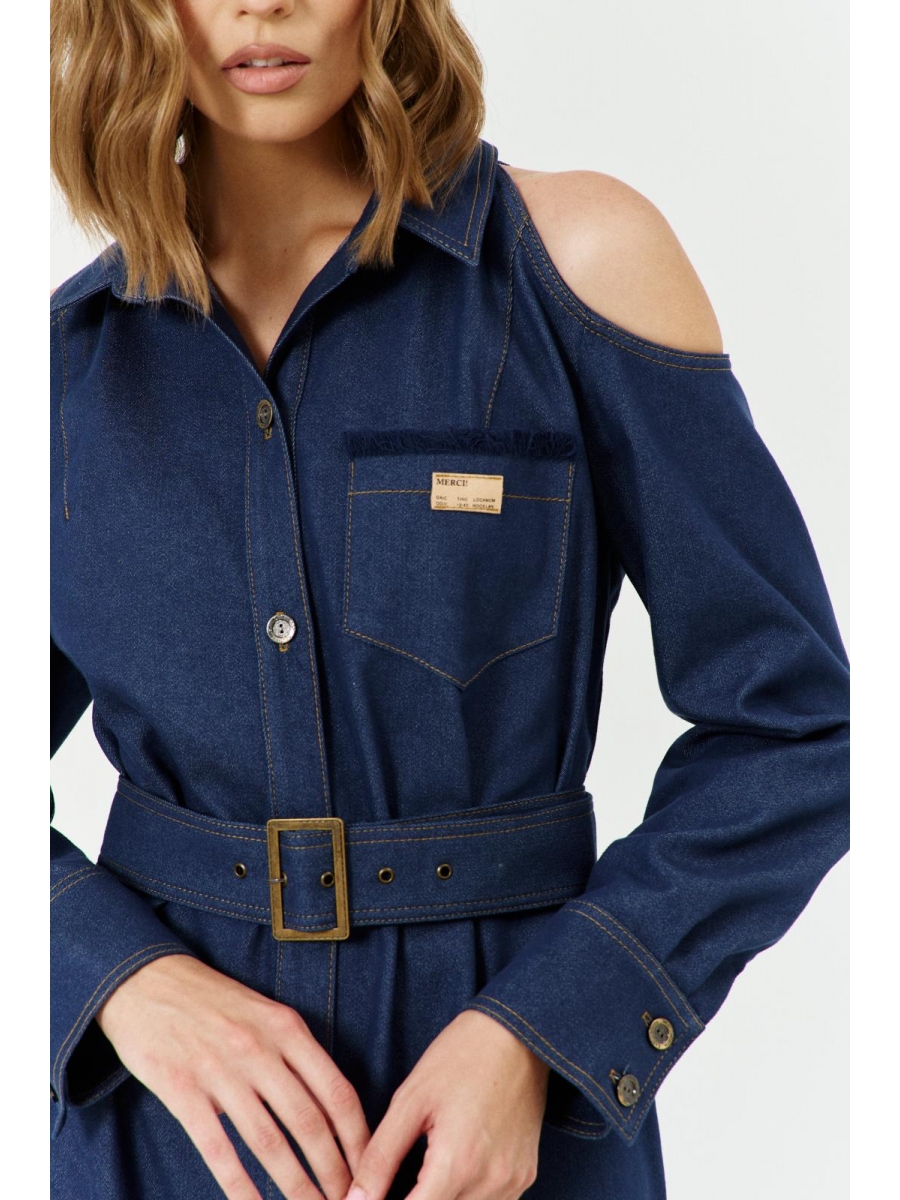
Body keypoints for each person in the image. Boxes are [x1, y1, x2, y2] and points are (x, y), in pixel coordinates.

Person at [49, 2, 850, 1198]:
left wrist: (544, 1028)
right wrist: (113, 976)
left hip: (512, 1135)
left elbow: (800, 726)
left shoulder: (575, 264)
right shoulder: (58, 373)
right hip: (171, 1134)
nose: (263, 4)